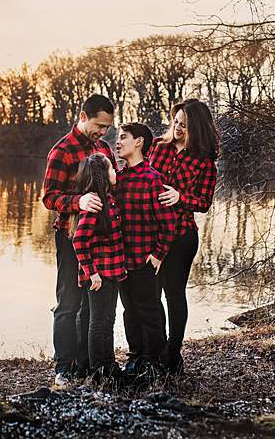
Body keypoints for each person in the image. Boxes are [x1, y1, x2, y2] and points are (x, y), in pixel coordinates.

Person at [42, 94, 115, 388]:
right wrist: (79, 201)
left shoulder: (104, 149)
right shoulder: (62, 151)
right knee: (68, 301)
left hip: (101, 239)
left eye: (108, 127)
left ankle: (84, 364)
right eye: (99, 125)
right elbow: (49, 197)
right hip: (71, 235)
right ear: (83, 117)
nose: (103, 132)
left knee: (90, 303)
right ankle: (63, 366)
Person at [149, 99, 219, 374]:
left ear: (197, 129)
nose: (177, 128)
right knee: (150, 295)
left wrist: (180, 197)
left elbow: (203, 202)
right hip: (152, 235)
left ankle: (172, 354)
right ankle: (154, 349)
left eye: (184, 126)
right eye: (176, 122)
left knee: (174, 294)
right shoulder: (157, 146)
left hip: (181, 236)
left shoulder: (205, 162)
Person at [114, 122, 177, 378]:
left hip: (145, 259)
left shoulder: (153, 180)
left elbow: (169, 224)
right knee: (129, 311)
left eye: (123, 137)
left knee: (149, 310)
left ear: (139, 142)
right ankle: (135, 356)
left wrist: (158, 254)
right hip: (121, 260)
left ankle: (154, 359)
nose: (118, 142)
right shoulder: (118, 178)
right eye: (118, 137)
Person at [70, 153, 126, 383]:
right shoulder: (95, 203)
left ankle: (108, 365)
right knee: (100, 323)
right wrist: (92, 272)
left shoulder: (108, 199)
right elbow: (79, 241)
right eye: (112, 169)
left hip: (111, 271)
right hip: (100, 275)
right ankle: (99, 372)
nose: (116, 172)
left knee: (107, 321)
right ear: (104, 176)